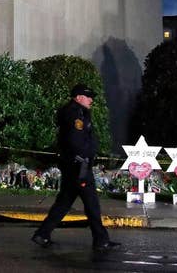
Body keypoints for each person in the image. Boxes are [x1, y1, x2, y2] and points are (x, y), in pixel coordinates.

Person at [32, 84, 120, 252]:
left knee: (64, 202)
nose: (91, 99)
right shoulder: (75, 114)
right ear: (78, 97)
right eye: (88, 96)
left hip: (74, 165)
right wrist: (84, 158)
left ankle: (42, 234)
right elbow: (75, 140)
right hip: (79, 166)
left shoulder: (77, 112)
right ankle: (101, 240)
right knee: (92, 204)